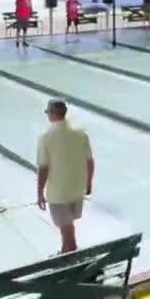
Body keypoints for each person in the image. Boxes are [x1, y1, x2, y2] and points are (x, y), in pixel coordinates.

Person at [36, 98, 94, 255]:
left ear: (53, 113)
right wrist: (88, 185)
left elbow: (44, 168)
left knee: (66, 229)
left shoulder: (46, 137)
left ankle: (69, 258)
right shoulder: (81, 133)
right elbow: (90, 162)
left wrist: (40, 193)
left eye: (48, 112)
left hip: (59, 194)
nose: (47, 114)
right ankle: (65, 252)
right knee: (68, 226)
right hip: (77, 190)